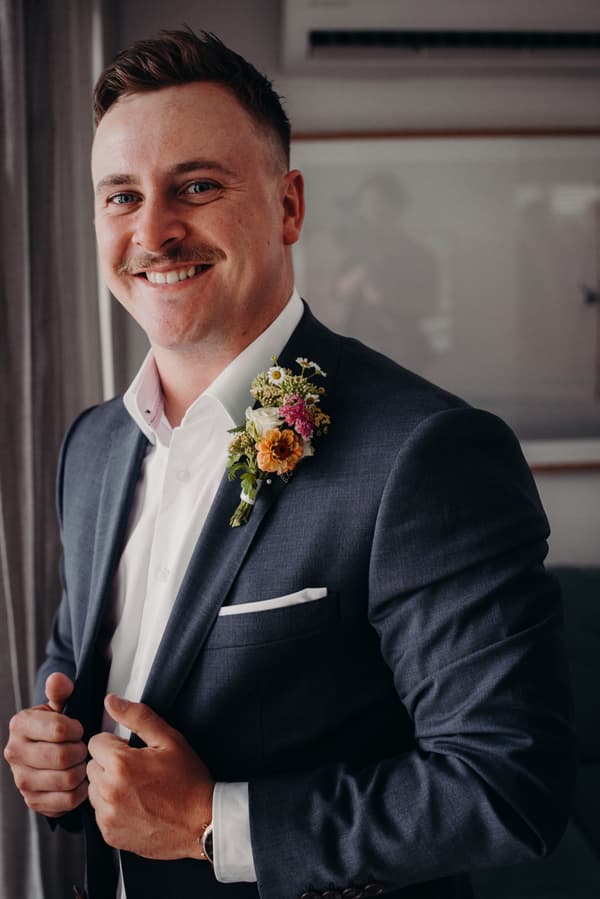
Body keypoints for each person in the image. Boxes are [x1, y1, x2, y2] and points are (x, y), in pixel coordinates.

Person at [4, 28, 575, 899]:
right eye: (121, 196)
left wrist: (209, 825)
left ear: (289, 207)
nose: (152, 231)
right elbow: (82, 683)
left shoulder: (426, 452)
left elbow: (506, 787)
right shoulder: (91, 446)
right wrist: (55, 762)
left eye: (196, 185)